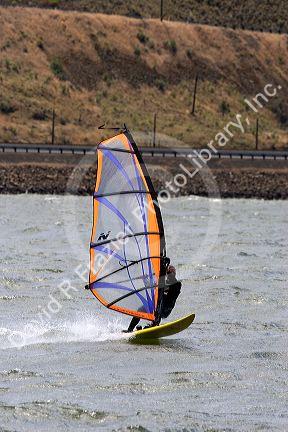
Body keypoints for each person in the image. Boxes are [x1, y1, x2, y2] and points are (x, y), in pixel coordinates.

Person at [124, 263, 181, 333]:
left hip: (165, 308)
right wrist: (145, 279)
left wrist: (165, 269)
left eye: (172, 272)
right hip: (156, 306)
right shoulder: (162, 282)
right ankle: (130, 330)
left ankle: (154, 325)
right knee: (139, 310)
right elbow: (151, 285)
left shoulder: (177, 284)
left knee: (158, 310)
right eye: (170, 271)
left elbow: (170, 282)